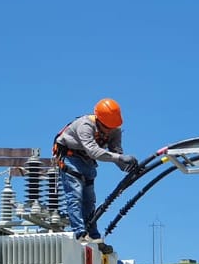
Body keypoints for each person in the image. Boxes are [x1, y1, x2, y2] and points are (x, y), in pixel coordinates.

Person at [54, 98, 138, 244]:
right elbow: (94, 151)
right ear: (99, 120)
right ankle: (79, 233)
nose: (110, 130)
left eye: (113, 127)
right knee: (75, 196)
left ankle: (92, 234)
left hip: (87, 162)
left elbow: (116, 151)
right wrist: (121, 158)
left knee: (89, 200)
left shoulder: (114, 130)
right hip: (70, 157)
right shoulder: (85, 125)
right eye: (107, 127)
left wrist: (129, 168)